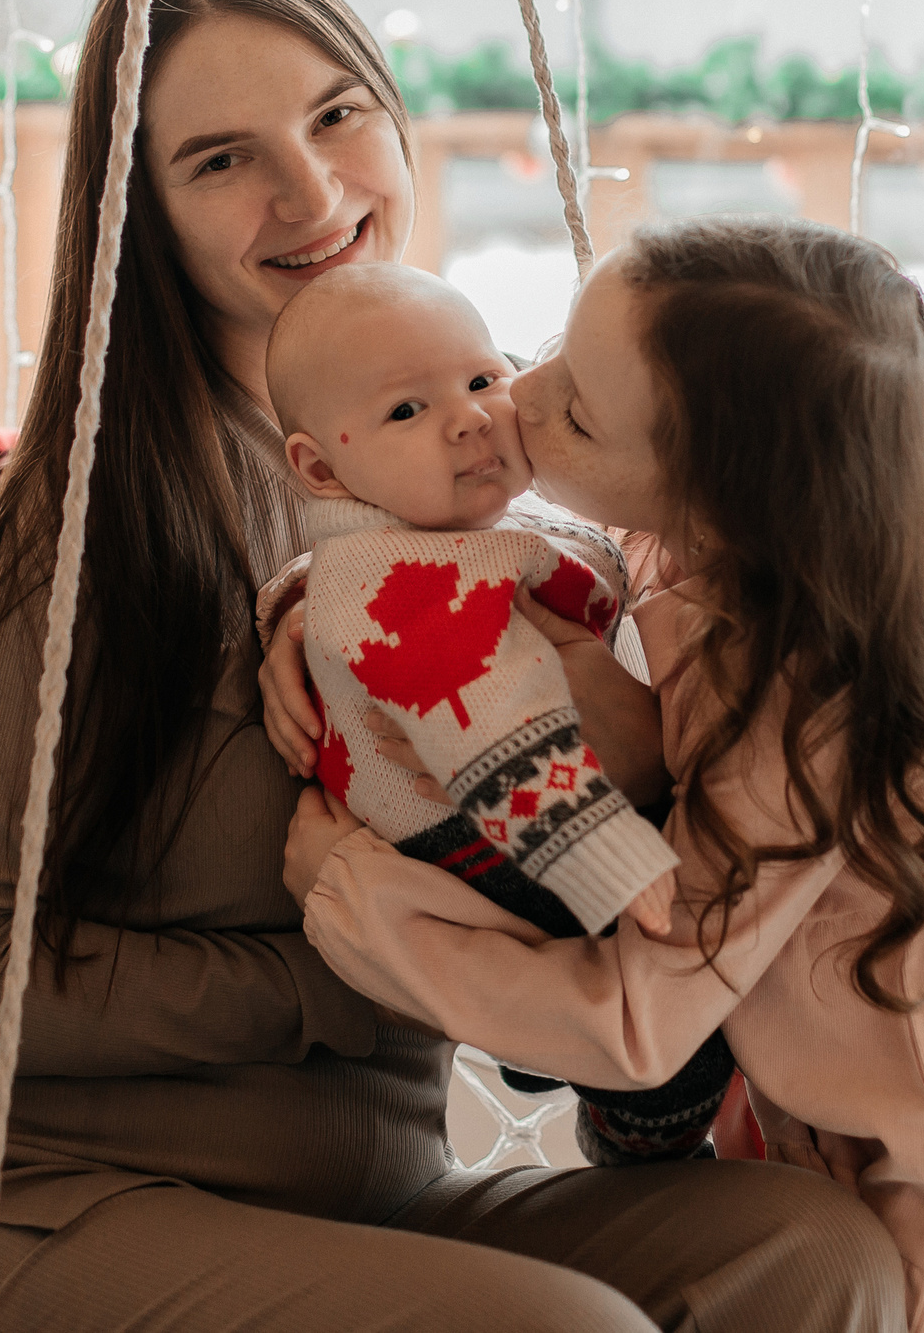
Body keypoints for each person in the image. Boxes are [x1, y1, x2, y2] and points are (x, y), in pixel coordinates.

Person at [0, 0, 905, 1333]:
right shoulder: (105, 525)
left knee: (817, 1253)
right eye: (221, 159)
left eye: (337, 115)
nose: (312, 191)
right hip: (38, 1199)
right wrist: (350, 967)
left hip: (368, 1200)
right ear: (144, 214)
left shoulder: (462, 457)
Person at [276, 218, 924, 1331]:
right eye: (551, 348)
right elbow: (472, 555)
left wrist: (354, 897)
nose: (517, 394)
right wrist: (321, 600)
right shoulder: (833, 552)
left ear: (714, 494)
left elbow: (636, 1024)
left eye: (576, 411)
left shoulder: (799, 714)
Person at [263, 262, 737, 1165]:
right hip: (496, 831)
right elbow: (497, 723)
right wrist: (612, 860)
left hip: (514, 811)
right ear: (322, 468)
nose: (470, 417)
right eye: (408, 410)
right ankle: (641, 1143)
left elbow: (574, 549)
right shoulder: (410, 582)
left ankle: (555, 1057)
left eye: (483, 377)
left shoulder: (427, 531)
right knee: (678, 1032)